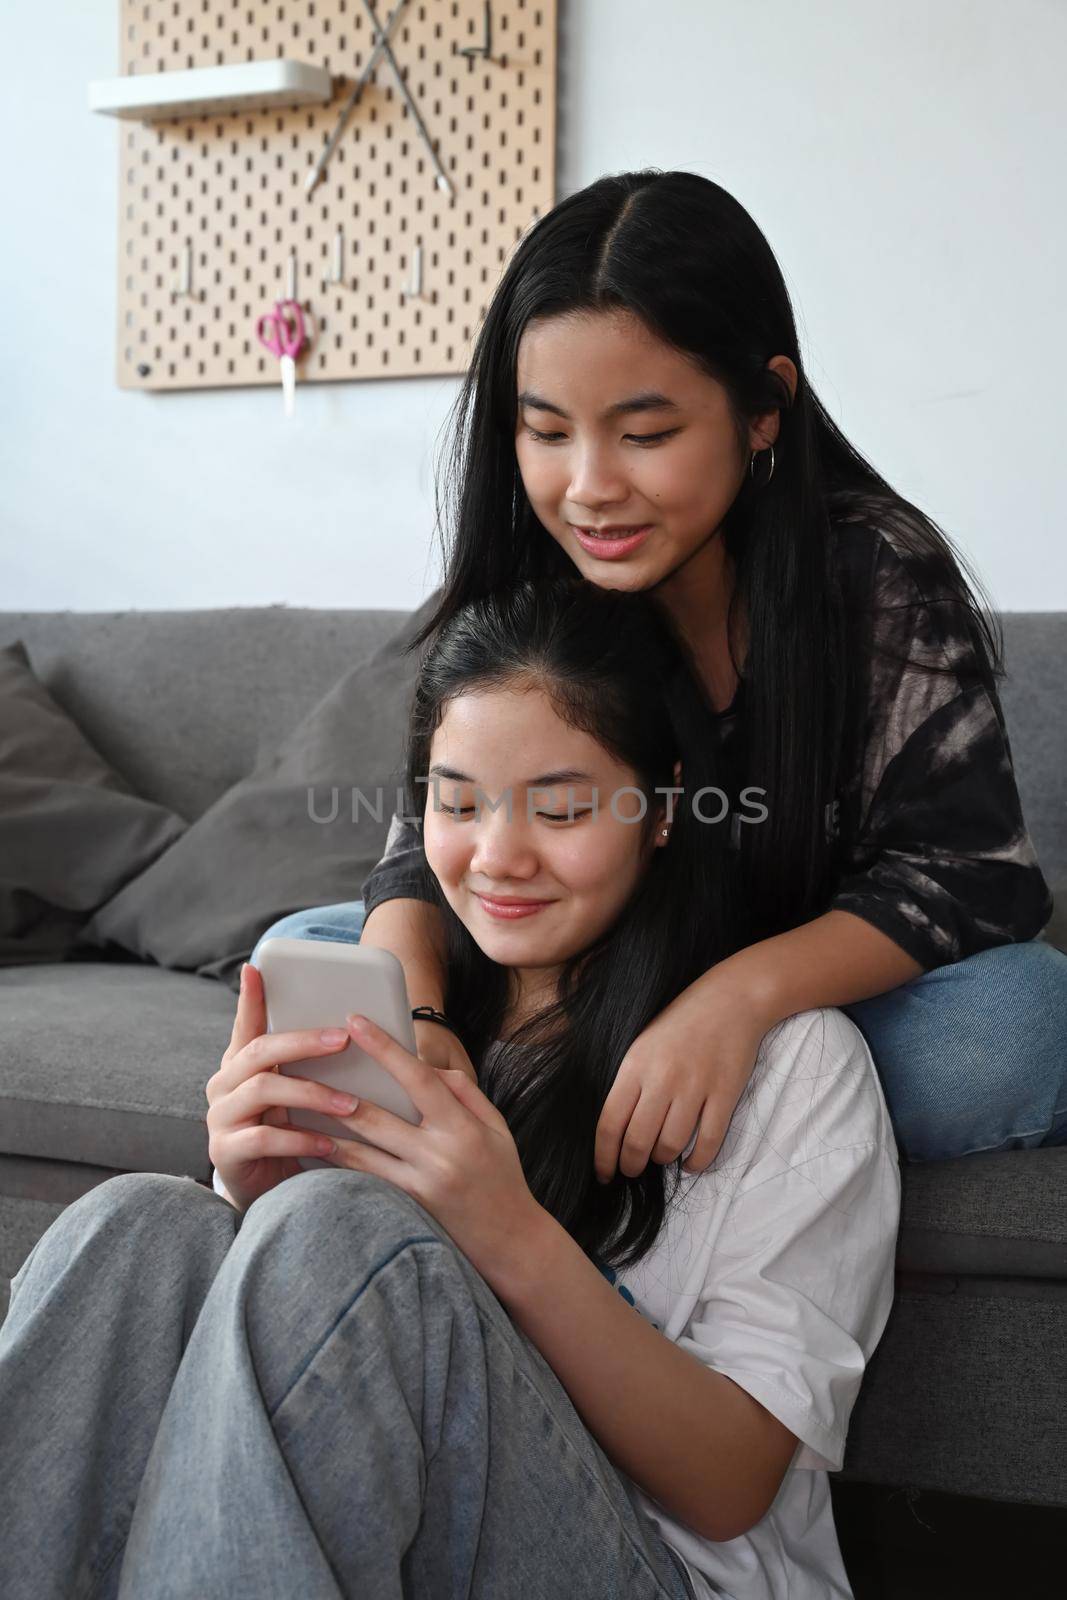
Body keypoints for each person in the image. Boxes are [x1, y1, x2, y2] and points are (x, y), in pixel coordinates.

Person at [0, 579, 900, 1600]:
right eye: (456, 802)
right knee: (140, 1225)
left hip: (658, 1569)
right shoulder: (405, 1015)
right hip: (384, 1525)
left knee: (344, 1231)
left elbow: (729, 1485)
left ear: (661, 808)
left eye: (560, 809)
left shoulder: (793, 1066)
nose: (497, 858)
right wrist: (251, 1196)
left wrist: (502, 1231)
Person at [269, 166, 1065, 1173]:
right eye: (547, 432)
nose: (590, 489)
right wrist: (419, 1018)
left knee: (1023, 1024)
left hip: (789, 996)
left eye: (645, 434)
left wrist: (731, 1002)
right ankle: (589, 1120)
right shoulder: (523, 572)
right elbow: (417, 851)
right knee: (296, 951)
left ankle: (543, 1121)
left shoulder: (871, 575)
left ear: (761, 408)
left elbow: (967, 878)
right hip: (575, 972)